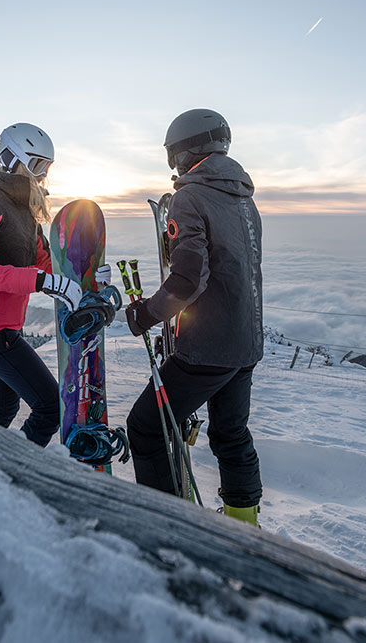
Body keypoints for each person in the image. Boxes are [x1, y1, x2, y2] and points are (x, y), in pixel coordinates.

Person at [124, 108, 264, 526]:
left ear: (184, 151)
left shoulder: (190, 197)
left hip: (208, 348)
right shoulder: (244, 200)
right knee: (230, 435)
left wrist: (145, 315)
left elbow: (187, 279)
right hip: (245, 344)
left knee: (147, 427)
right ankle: (244, 522)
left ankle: (167, 524)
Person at [0, 122, 82, 446]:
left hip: (4, 327)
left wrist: (82, 276)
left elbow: (42, 261)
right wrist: (42, 282)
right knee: (49, 407)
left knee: (3, 408)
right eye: (38, 165)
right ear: (13, 158)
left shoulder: (24, 207)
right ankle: (19, 472)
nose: (43, 175)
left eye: (47, 167)